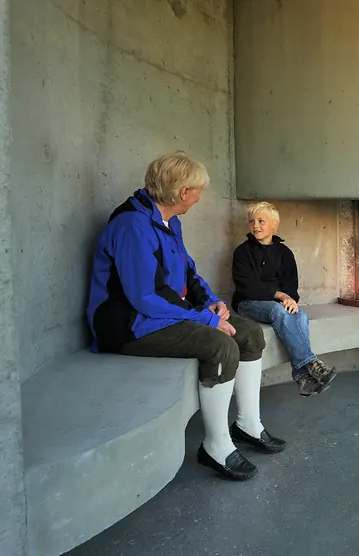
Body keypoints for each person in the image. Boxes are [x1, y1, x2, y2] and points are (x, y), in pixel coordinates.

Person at [86, 153, 284, 482]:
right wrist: (205, 321)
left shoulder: (168, 221)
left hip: (157, 314)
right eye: (198, 190)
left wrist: (210, 302)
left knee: (248, 333)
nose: (200, 196)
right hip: (127, 326)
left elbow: (187, 273)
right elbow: (145, 296)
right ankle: (216, 446)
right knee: (220, 345)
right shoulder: (132, 225)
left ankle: (248, 424)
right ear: (182, 193)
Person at [232, 201, 337, 396]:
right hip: (248, 302)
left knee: (300, 316)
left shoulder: (285, 253)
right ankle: (310, 363)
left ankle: (302, 377)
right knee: (277, 310)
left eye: (262, 221)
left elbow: (291, 286)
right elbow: (248, 286)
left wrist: (290, 300)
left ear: (274, 225)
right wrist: (280, 296)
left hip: (279, 302)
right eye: (251, 221)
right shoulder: (242, 252)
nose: (256, 225)